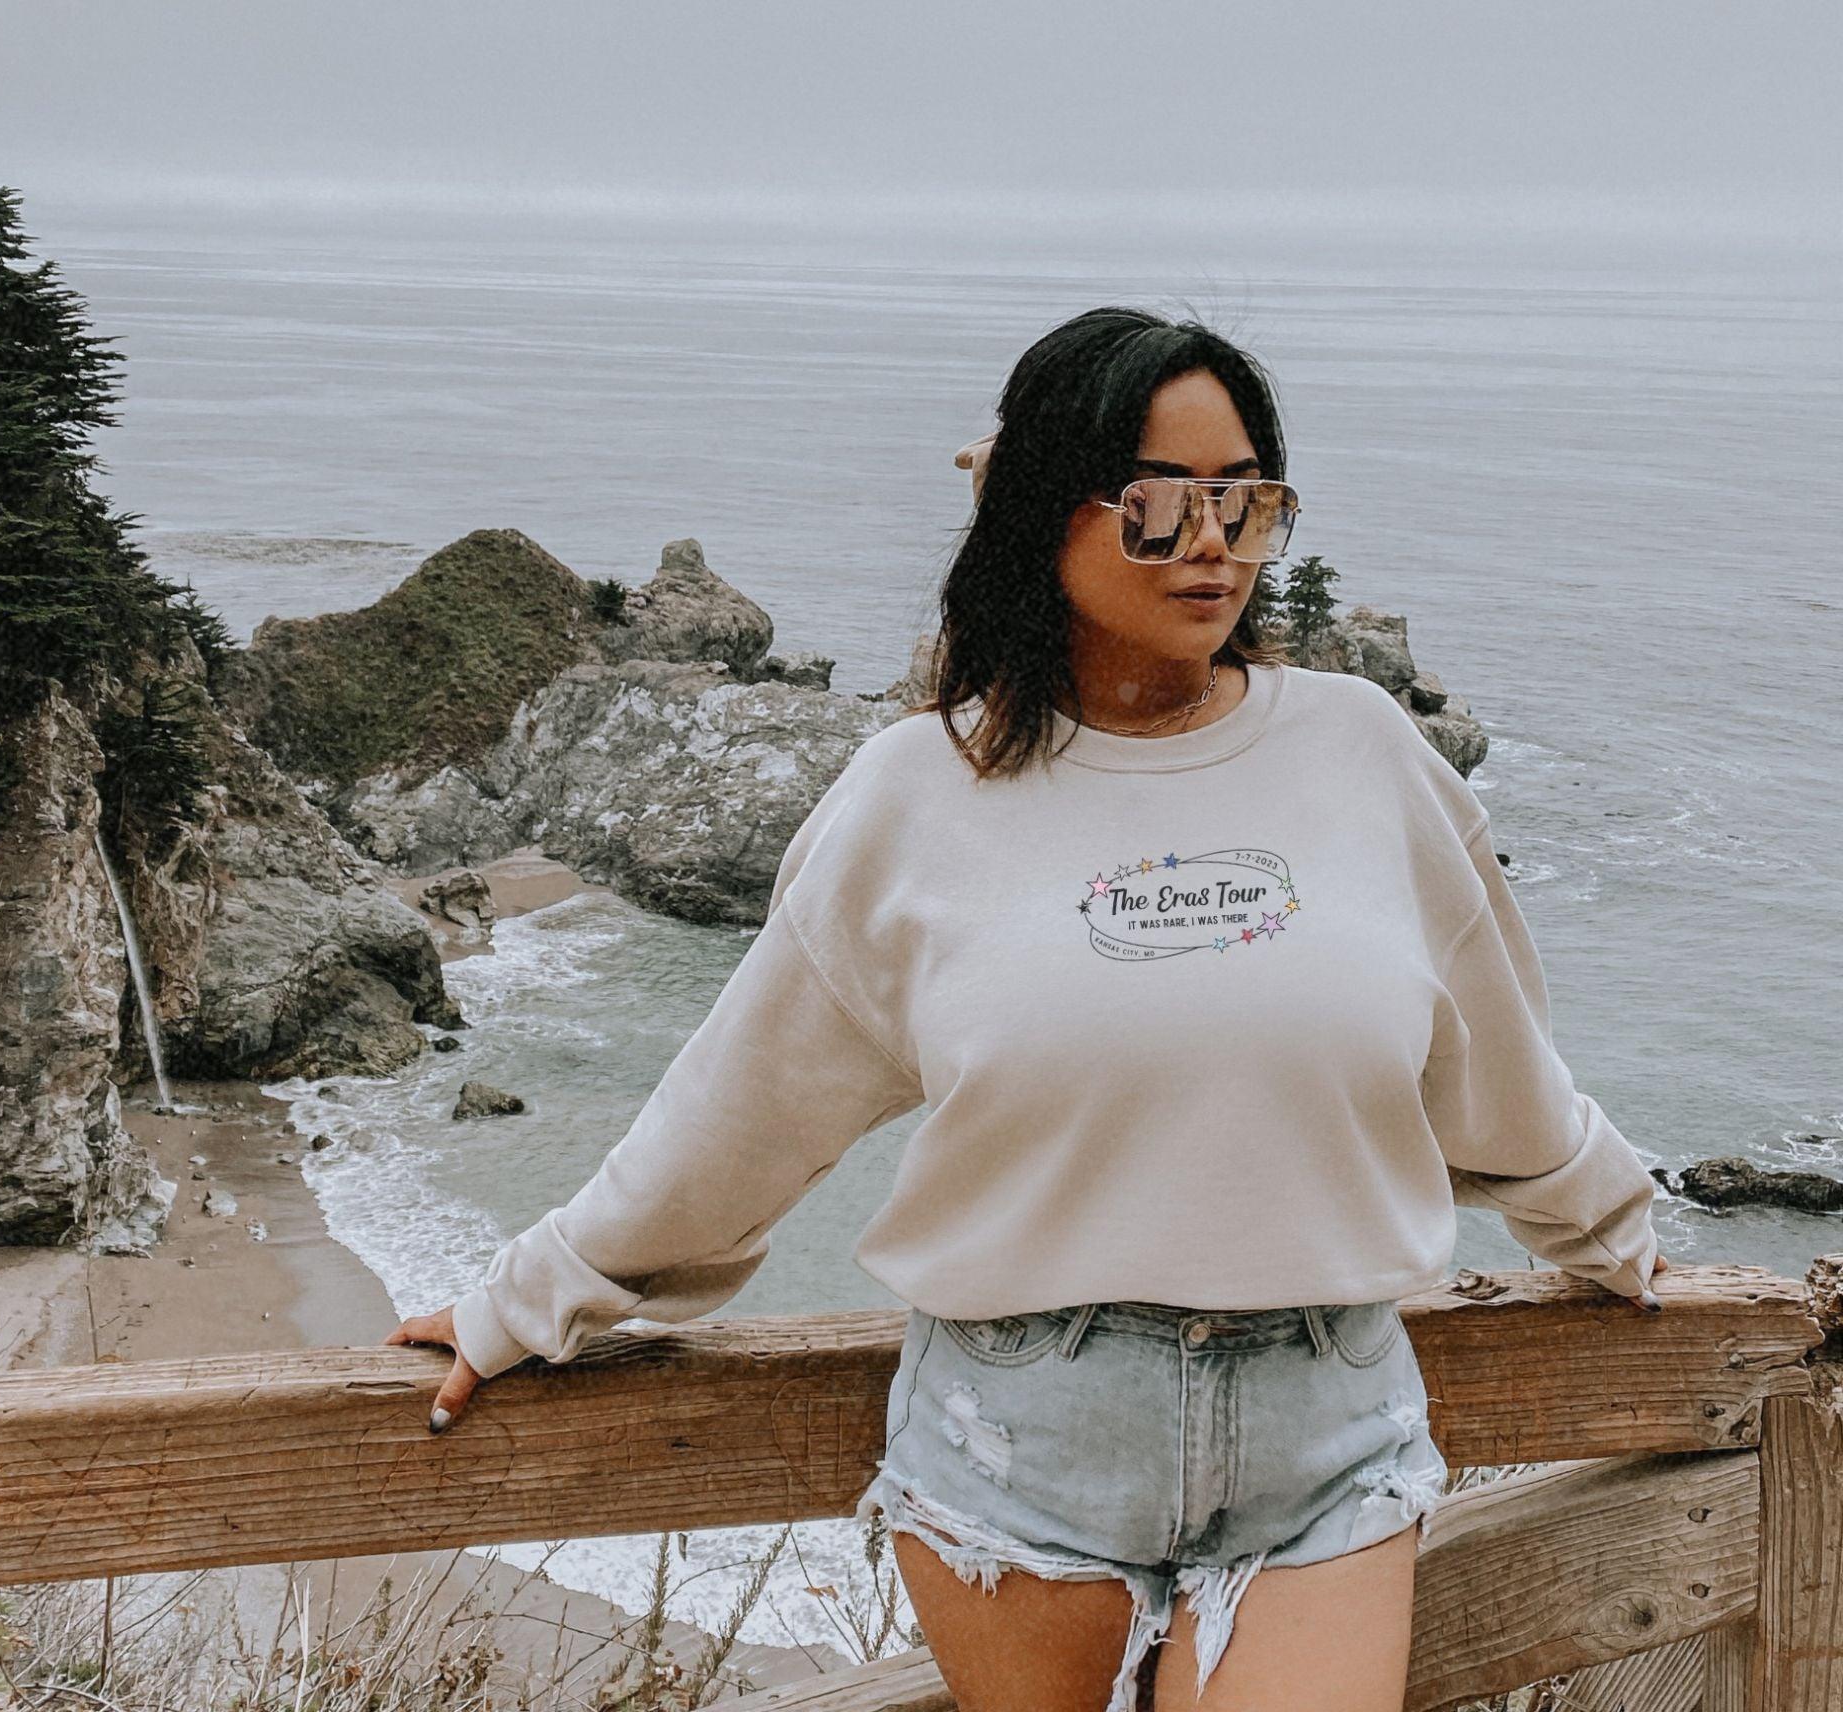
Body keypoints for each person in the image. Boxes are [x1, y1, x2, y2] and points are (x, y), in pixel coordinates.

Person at [387, 306, 1667, 1711]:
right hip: (1022, 1434)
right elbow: (742, 1118)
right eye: (1156, 508)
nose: (1213, 547)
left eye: (1247, 502)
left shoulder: (1364, 752)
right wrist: (524, 1303)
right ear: (1038, 513)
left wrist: (1620, 1235)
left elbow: (1496, 1067)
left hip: (1325, 1425)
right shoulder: (915, 797)